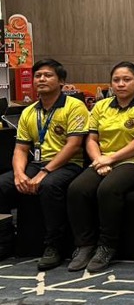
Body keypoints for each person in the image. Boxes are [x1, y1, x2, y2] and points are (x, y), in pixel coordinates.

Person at [67, 62, 134, 273]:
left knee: (108, 189)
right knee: (77, 189)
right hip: (102, 159)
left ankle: (107, 246)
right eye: (116, 80)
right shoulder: (101, 106)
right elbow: (91, 139)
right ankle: (85, 245)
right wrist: (99, 159)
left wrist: (110, 159)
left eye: (127, 80)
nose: (121, 84)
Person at [0, 59, 88, 271]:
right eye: (38, 76)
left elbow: (74, 145)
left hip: (69, 164)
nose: (41, 79)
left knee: (49, 185)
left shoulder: (74, 106)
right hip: (37, 163)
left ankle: (53, 245)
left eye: (48, 75)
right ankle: (5, 241)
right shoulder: (29, 111)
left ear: (61, 81)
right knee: (2, 184)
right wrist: (19, 174)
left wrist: (45, 172)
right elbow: (21, 149)